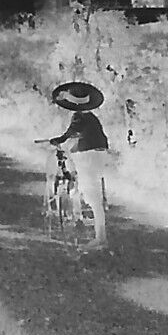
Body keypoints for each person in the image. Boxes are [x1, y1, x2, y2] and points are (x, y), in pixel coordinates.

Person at [38, 81, 109, 247]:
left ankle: (100, 238)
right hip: (99, 153)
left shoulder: (78, 117)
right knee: (93, 193)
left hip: (89, 155)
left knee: (91, 195)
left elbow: (71, 133)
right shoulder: (91, 117)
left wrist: (58, 140)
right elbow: (78, 135)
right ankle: (98, 232)